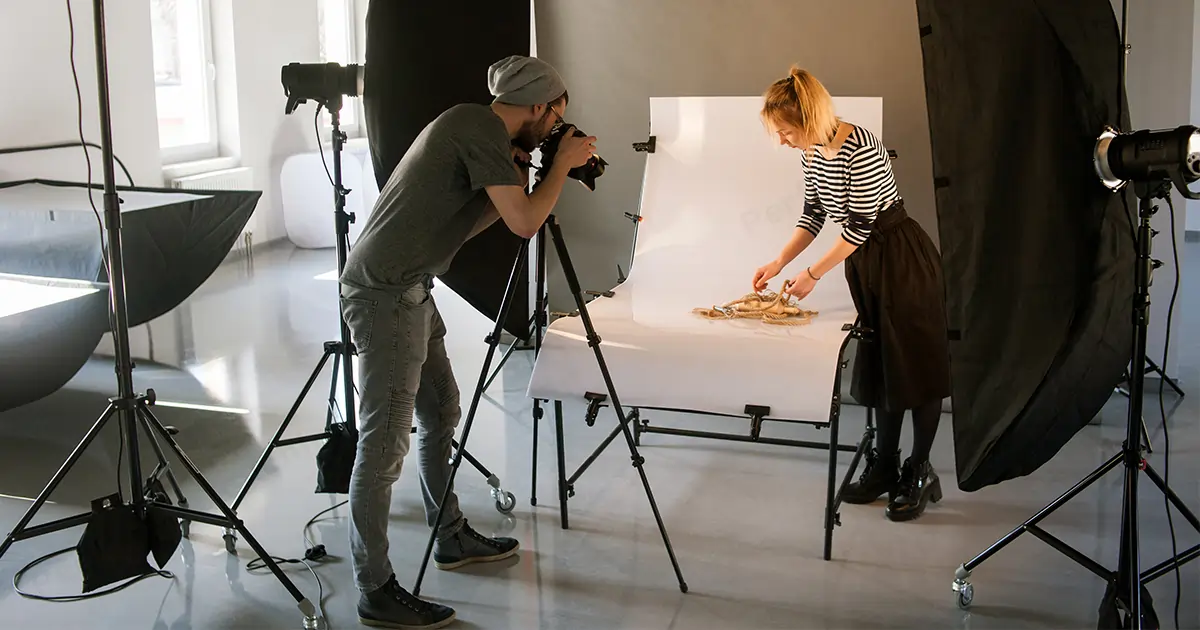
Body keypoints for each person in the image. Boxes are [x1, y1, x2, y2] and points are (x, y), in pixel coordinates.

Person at [338, 55, 597, 629]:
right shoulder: (475, 125)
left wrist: (535, 168)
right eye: (555, 115)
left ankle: (449, 536)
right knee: (382, 448)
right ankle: (374, 589)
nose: (555, 125)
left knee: (442, 412)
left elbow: (483, 219)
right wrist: (561, 167)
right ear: (538, 106)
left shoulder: (477, 132)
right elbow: (527, 223)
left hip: (410, 289)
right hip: (385, 296)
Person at [752, 66, 952, 523]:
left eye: (785, 132)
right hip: (866, 263)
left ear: (808, 118)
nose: (782, 141)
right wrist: (779, 262)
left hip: (902, 259)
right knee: (884, 364)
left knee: (916, 366)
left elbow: (861, 225)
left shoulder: (859, 146)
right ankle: (884, 465)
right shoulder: (812, 151)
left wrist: (812, 274)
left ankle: (919, 470)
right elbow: (814, 215)